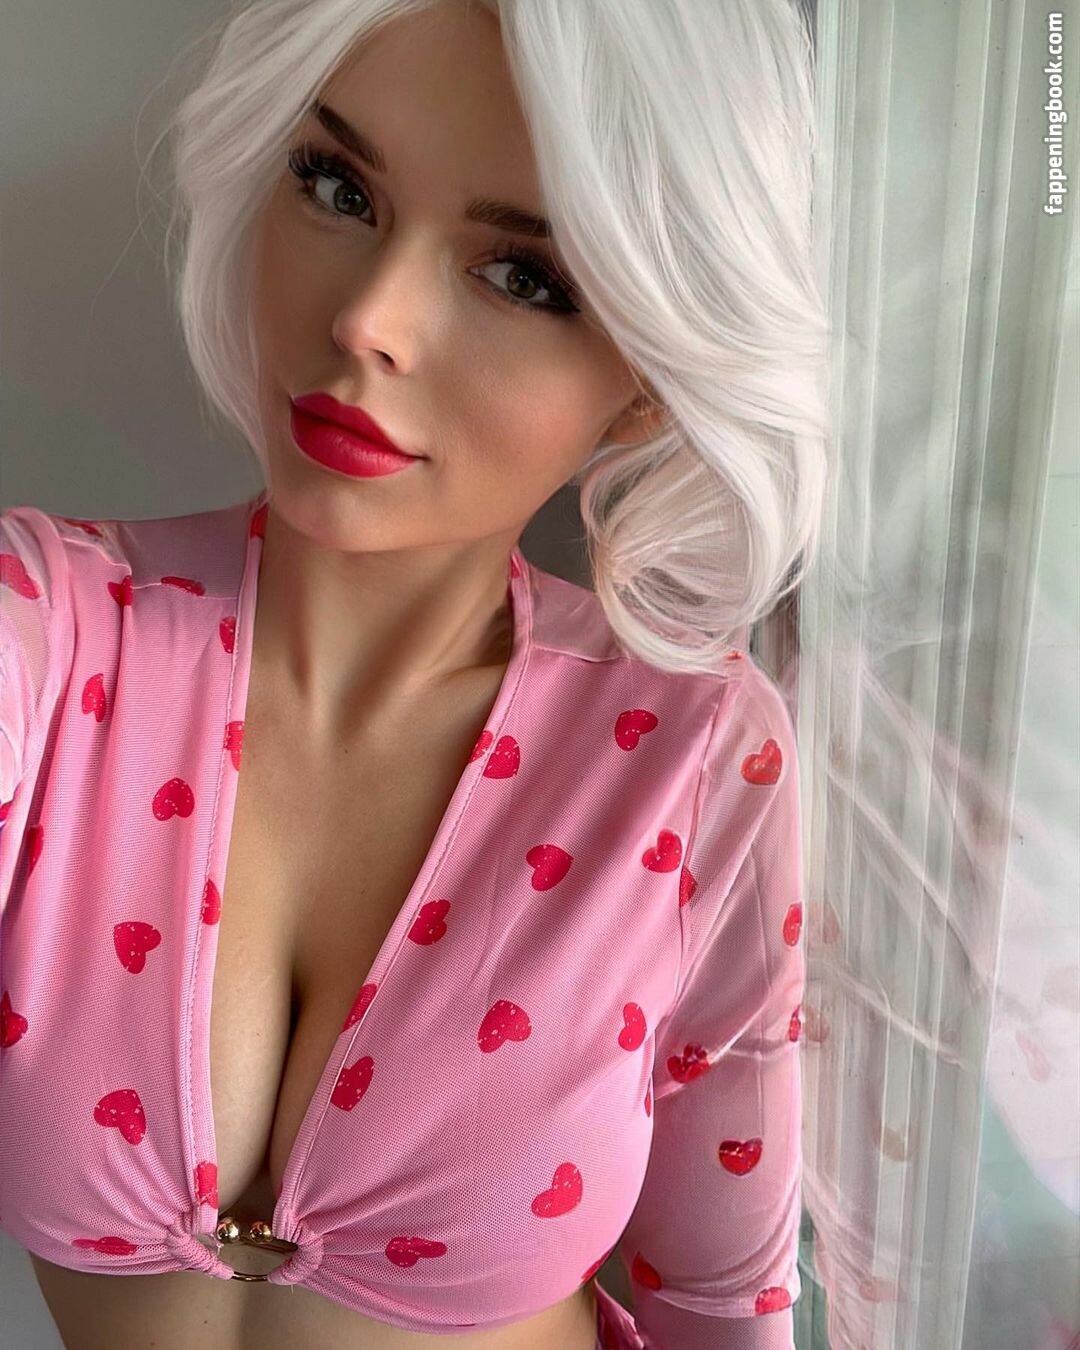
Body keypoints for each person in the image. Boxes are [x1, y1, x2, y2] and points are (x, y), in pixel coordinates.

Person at [0, 1, 828, 1347]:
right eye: (339, 188)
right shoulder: (46, 642)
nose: (368, 320)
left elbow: (722, 1298)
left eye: (522, 276)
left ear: (645, 379)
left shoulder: (694, 758)